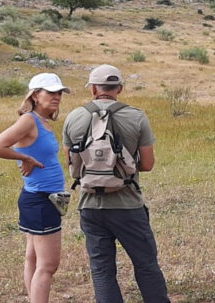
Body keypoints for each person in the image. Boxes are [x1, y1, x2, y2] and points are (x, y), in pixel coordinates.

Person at [62, 65, 170, 303]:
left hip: (90, 206)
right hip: (128, 204)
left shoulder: (73, 117)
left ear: (93, 89)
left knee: (102, 271)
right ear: (120, 88)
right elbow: (148, 164)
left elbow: (73, 167)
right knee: (146, 265)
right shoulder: (136, 116)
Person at [0, 73, 71, 303]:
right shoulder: (28, 120)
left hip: (42, 198)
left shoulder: (42, 121)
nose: (57, 97)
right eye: (50, 92)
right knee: (48, 265)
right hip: (41, 201)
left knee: (33, 259)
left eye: (59, 93)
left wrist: (26, 157)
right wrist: (25, 158)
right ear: (35, 95)